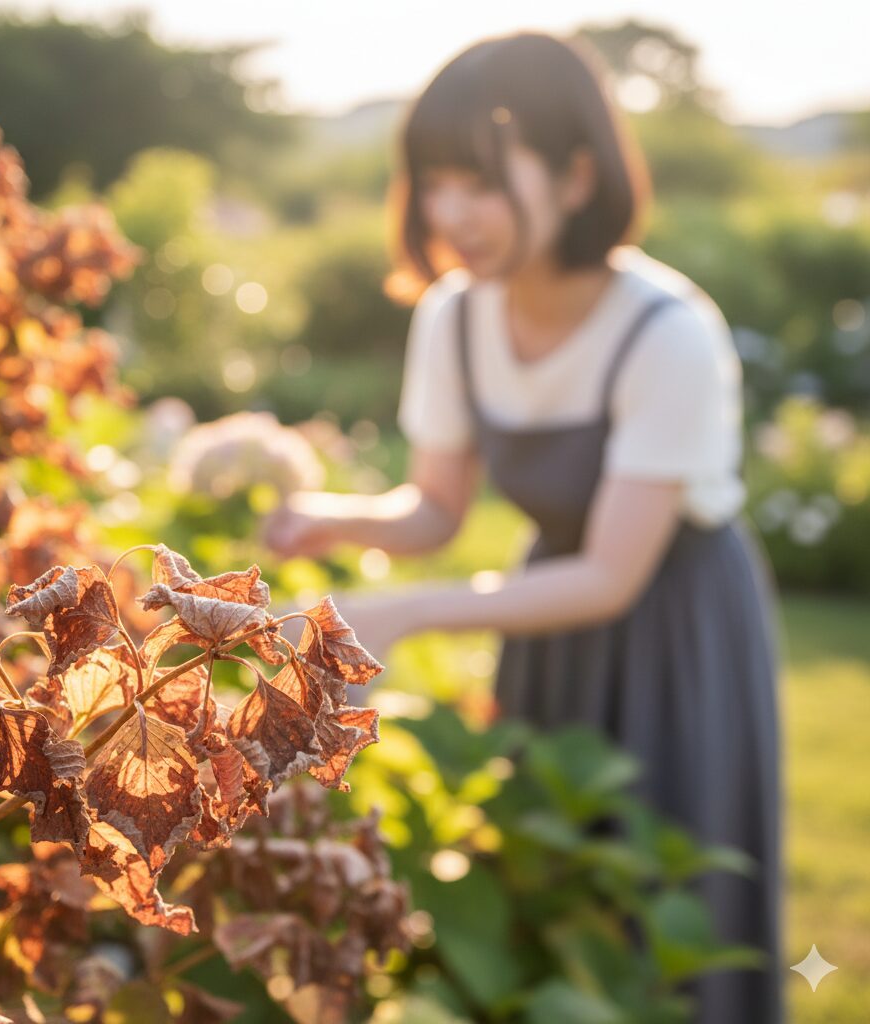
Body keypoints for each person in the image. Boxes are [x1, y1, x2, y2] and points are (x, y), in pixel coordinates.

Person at [262, 31, 783, 1023]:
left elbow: (613, 576)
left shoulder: (664, 330)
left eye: (481, 183)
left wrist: (407, 614)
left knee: (664, 899)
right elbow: (434, 509)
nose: (451, 215)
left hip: (676, 627)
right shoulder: (455, 317)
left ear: (577, 175)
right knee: (543, 888)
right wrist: (326, 522)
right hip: (546, 613)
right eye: (433, 184)